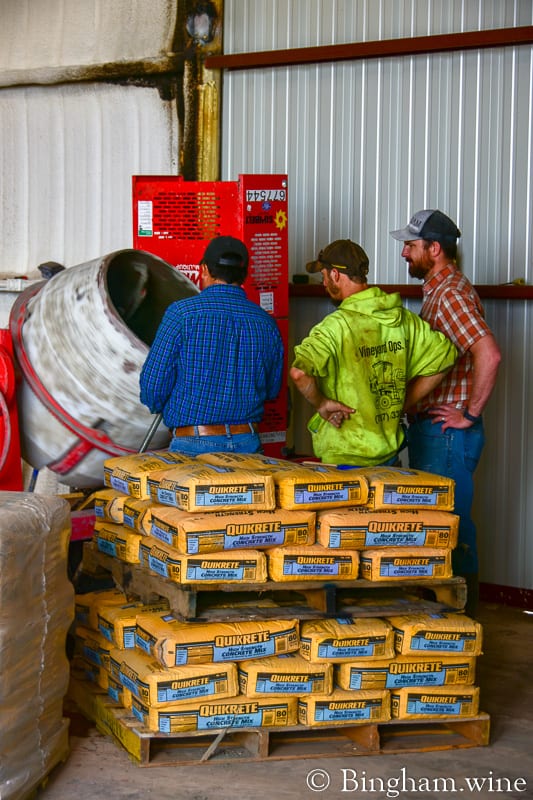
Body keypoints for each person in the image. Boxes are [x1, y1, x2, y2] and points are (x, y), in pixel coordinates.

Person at [390, 209, 502, 613]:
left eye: (411, 245)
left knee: (451, 524)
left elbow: (488, 354)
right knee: (442, 523)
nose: (404, 253)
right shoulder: (439, 291)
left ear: (434, 249)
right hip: (437, 433)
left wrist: (468, 414)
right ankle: (448, 614)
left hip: (447, 434)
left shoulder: (451, 293)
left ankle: (462, 618)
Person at [289, 238, 457, 469]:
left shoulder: (334, 327)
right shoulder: (404, 319)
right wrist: (404, 401)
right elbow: (445, 357)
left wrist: (322, 404)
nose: (324, 282)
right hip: (389, 459)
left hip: (345, 459)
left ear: (336, 275)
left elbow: (299, 372)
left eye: (324, 275)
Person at [140, 235, 284, 456]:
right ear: (244, 274)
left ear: (204, 269)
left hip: (192, 445)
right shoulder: (266, 322)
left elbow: (153, 385)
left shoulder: (181, 314)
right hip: (248, 444)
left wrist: (163, 404)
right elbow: (272, 389)